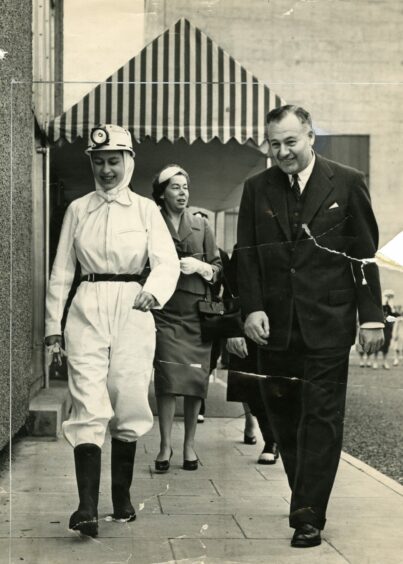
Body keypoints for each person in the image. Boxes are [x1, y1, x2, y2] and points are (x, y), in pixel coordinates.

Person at [237, 105, 384, 548]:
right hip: (275, 328)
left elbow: (363, 254)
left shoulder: (349, 182)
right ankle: (307, 496)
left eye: (290, 142)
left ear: (311, 137)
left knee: (321, 418)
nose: (281, 152)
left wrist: (372, 317)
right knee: (283, 415)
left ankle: (307, 513)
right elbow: (245, 254)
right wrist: (252, 309)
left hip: (329, 325)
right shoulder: (255, 189)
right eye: (274, 144)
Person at [45, 125, 180, 537]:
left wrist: (153, 293)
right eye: (99, 162)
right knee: (86, 396)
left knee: (129, 396)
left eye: (113, 161)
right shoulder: (78, 209)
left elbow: (166, 262)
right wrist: (53, 328)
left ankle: (121, 498)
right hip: (86, 306)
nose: (106, 170)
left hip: (132, 308)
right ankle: (86, 507)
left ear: (128, 162)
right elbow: (62, 271)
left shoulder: (144, 210)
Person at [151, 164, 222, 472]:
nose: (182, 193)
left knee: (195, 380)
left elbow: (218, 268)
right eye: (175, 187)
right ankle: (165, 445)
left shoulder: (201, 225)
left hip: (196, 312)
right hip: (165, 311)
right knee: (167, 380)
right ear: (162, 192)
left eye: (185, 187)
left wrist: (202, 268)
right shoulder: (151, 222)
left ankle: (189, 445)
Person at [372, 289, 398, 369]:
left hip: (387, 328)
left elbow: (394, 315)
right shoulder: (379, 305)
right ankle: (375, 361)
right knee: (377, 343)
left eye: (390, 297)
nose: (388, 298)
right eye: (387, 296)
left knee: (386, 344)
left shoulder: (389, 307)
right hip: (379, 327)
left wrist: (392, 308)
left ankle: (384, 361)